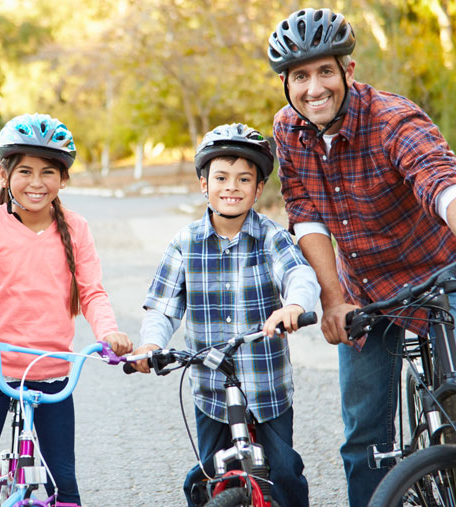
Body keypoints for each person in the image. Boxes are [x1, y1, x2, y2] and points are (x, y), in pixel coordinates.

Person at [266, 8, 456, 506]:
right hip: (366, 290)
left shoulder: (394, 119)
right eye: (300, 77)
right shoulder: (289, 130)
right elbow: (307, 215)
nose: (313, 88)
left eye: (324, 72)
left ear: (348, 71)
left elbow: (444, 182)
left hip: (443, 275)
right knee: (363, 436)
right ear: (286, 84)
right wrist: (333, 299)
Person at [0, 113, 133, 507]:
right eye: (26, 171)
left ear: (63, 179)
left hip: (53, 372)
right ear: (4, 174)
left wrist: (109, 333)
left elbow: (92, 293)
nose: (37, 183)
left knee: (65, 485)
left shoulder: (76, 227)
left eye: (49, 172)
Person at [130, 123, 321, 507]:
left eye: (243, 179)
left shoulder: (271, 238)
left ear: (257, 188)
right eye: (221, 177)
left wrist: (294, 306)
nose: (231, 187)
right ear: (204, 184)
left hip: (267, 388)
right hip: (211, 391)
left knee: (283, 471)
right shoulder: (185, 244)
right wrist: (152, 344)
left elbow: (299, 274)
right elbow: (163, 307)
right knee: (202, 478)